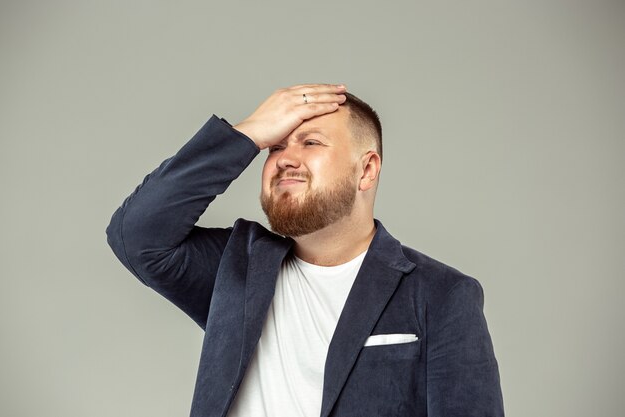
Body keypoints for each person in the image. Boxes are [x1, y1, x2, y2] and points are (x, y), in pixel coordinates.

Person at [106, 83, 504, 417]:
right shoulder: (236, 268)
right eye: (275, 147)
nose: (285, 159)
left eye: (310, 142)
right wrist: (247, 133)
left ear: (366, 169)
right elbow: (137, 235)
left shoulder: (442, 295)